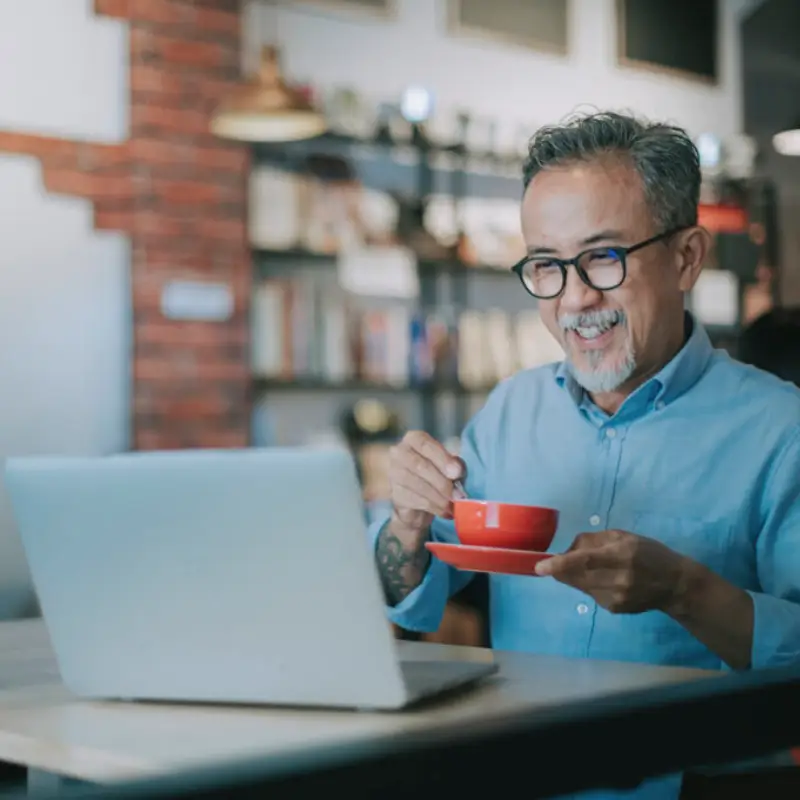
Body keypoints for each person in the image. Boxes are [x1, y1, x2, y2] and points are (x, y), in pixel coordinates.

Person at [368, 111, 800, 800]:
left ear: (687, 257)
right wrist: (407, 526)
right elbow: (405, 598)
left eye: (603, 257)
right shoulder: (509, 412)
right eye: (546, 265)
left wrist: (684, 591)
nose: (574, 299)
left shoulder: (782, 429)